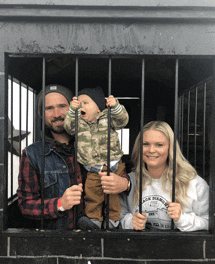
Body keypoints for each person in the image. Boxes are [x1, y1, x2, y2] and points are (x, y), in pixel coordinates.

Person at [17, 84, 130, 230]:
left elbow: (123, 173)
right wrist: (59, 204)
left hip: (101, 238)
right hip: (58, 241)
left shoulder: (95, 143)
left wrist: (125, 183)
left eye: (62, 106)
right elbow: (26, 205)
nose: (57, 113)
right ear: (42, 114)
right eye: (49, 108)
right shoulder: (32, 155)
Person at [120, 121, 209, 232]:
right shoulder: (129, 181)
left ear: (170, 148)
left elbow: (209, 223)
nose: (151, 150)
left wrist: (182, 218)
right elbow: (117, 218)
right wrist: (130, 222)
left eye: (159, 145)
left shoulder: (193, 183)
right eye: (145, 144)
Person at [63, 86, 129, 229]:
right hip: (93, 168)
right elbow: (68, 127)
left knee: (113, 195)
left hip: (114, 165)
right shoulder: (78, 123)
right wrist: (72, 111)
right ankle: (94, 221)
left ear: (99, 108)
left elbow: (122, 121)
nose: (81, 105)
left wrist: (116, 107)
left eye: (85, 102)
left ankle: (112, 221)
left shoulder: (108, 117)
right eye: (79, 103)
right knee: (92, 195)